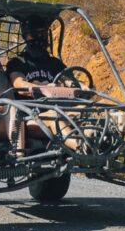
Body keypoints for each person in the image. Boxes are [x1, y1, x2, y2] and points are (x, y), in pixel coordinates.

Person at [6, 17, 82, 149]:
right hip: (29, 118)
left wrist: (76, 87)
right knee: (54, 116)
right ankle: (82, 148)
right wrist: (46, 88)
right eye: (34, 35)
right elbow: (19, 85)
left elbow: (72, 83)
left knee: (84, 113)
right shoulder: (17, 62)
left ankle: (102, 142)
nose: (39, 38)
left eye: (43, 34)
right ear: (26, 37)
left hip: (60, 111)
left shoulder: (55, 63)